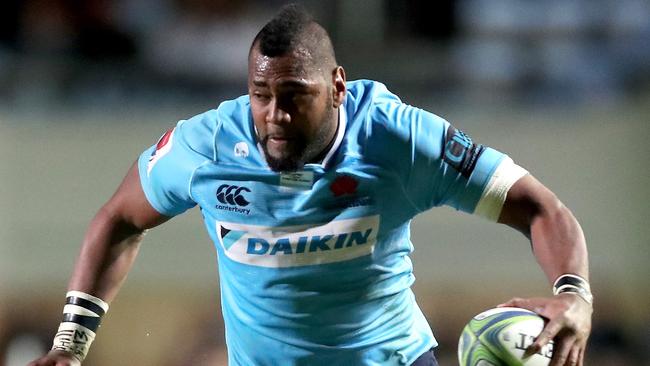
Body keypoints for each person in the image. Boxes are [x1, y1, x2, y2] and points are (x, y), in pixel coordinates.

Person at [29, 4, 592, 366]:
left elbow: (539, 207)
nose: (274, 114)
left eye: (295, 95)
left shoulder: (400, 139)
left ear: (337, 86)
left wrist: (575, 295)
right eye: (260, 94)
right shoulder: (206, 145)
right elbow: (120, 217)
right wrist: (70, 344)